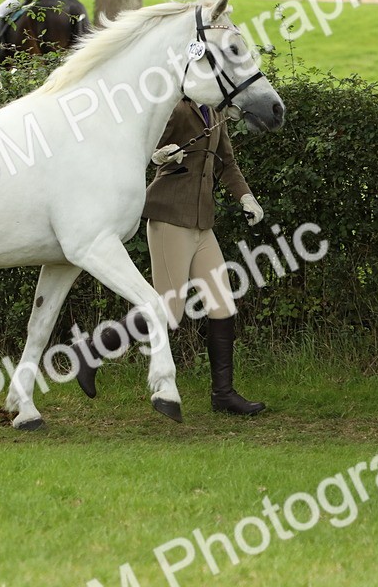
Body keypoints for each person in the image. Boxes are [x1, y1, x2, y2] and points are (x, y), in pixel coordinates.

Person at [70, 98, 267, 416]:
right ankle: (91, 350)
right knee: (169, 310)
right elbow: (145, 142)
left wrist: (246, 196)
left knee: (222, 304)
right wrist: (158, 155)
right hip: (169, 218)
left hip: (203, 223)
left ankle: (223, 395)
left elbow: (226, 163)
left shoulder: (215, 112)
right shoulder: (175, 108)